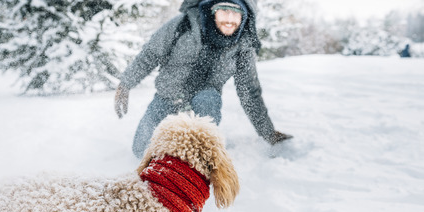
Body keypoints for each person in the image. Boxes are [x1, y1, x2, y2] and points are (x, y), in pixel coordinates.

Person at [115, 0, 292, 158]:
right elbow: (150, 54)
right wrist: (126, 84)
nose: (230, 19)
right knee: (140, 150)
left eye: (236, 13)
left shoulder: (243, 46)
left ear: (244, 16)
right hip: (167, 97)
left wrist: (267, 132)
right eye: (224, 10)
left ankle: (200, 152)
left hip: (204, 100)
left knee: (207, 98)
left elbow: (249, 92)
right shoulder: (183, 24)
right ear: (213, 10)